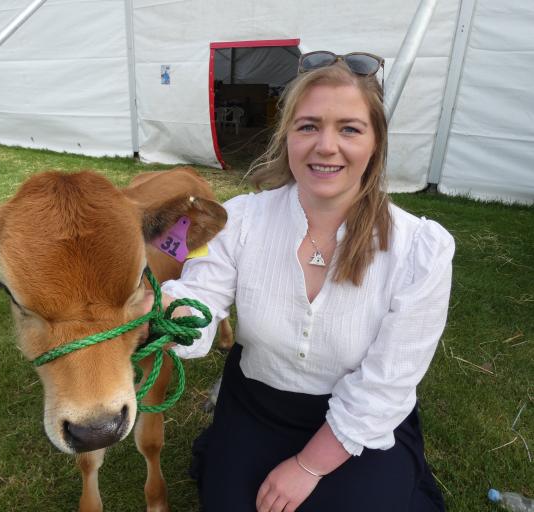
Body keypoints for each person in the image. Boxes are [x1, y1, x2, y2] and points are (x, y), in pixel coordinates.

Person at [161, 51, 454, 512]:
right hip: (257, 407)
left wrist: (308, 467)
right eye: (309, 126)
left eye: (349, 129)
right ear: (287, 138)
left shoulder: (420, 249)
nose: (326, 145)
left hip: (358, 425)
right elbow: (197, 305)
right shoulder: (240, 221)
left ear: (375, 142)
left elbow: (387, 384)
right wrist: (159, 313)